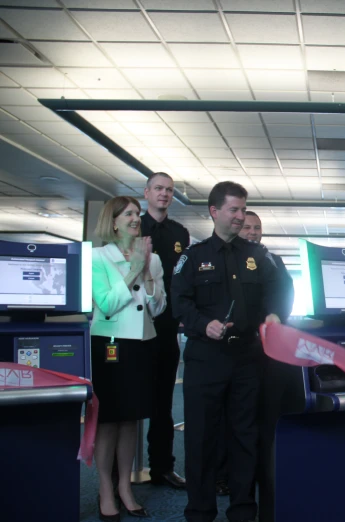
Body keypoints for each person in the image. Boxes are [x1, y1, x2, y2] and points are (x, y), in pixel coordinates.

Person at [171, 181, 284, 522]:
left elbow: (277, 292)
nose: (239, 217)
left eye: (242, 209)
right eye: (233, 210)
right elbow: (179, 302)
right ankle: (201, 511)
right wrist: (203, 324)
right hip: (206, 358)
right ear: (214, 211)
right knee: (202, 439)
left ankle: (242, 510)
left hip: (246, 360)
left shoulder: (257, 256)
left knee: (244, 437)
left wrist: (275, 314)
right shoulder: (193, 257)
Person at [91, 196, 167, 521]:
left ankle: (125, 486)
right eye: (129, 214)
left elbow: (157, 308)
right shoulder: (98, 257)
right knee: (109, 420)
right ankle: (105, 488)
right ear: (114, 222)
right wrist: (134, 268)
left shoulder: (154, 259)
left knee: (132, 419)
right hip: (110, 345)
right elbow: (107, 304)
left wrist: (146, 270)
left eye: (137, 213)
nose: (136, 218)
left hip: (140, 344)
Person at [214, 210, 295, 498]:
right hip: (238, 344)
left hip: (270, 346)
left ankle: (261, 469)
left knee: (263, 410)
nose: (252, 232)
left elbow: (286, 293)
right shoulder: (227, 258)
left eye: (257, 227)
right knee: (233, 413)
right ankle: (224, 475)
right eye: (247, 227)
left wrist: (276, 316)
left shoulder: (274, 260)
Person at [140, 172, 190, 489]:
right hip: (133, 329)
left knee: (162, 404)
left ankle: (162, 467)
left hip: (167, 329)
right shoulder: (132, 227)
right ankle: (117, 477)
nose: (164, 194)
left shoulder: (179, 232)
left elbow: (181, 281)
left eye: (169, 190)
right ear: (146, 193)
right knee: (127, 404)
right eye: (158, 188)